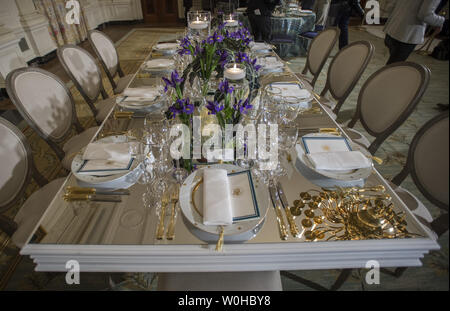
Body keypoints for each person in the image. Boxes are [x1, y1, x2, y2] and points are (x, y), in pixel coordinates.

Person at [384, 0, 445, 65]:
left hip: (392, 28)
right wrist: (441, 21)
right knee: (392, 69)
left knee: (391, 67)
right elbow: (425, 15)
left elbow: (390, 6)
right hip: (406, 36)